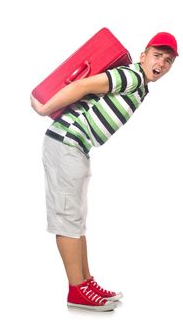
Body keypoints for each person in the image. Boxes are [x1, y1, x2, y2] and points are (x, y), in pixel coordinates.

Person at [31, 32, 177, 311]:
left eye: (168, 61)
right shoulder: (131, 77)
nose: (162, 63)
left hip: (78, 148)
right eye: (157, 55)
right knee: (67, 218)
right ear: (143, 55)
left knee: (76, 220)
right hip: (66, 144)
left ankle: (85, 281)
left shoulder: (140, 86)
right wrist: (45, 109)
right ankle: (77, 290)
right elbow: (84, 85)